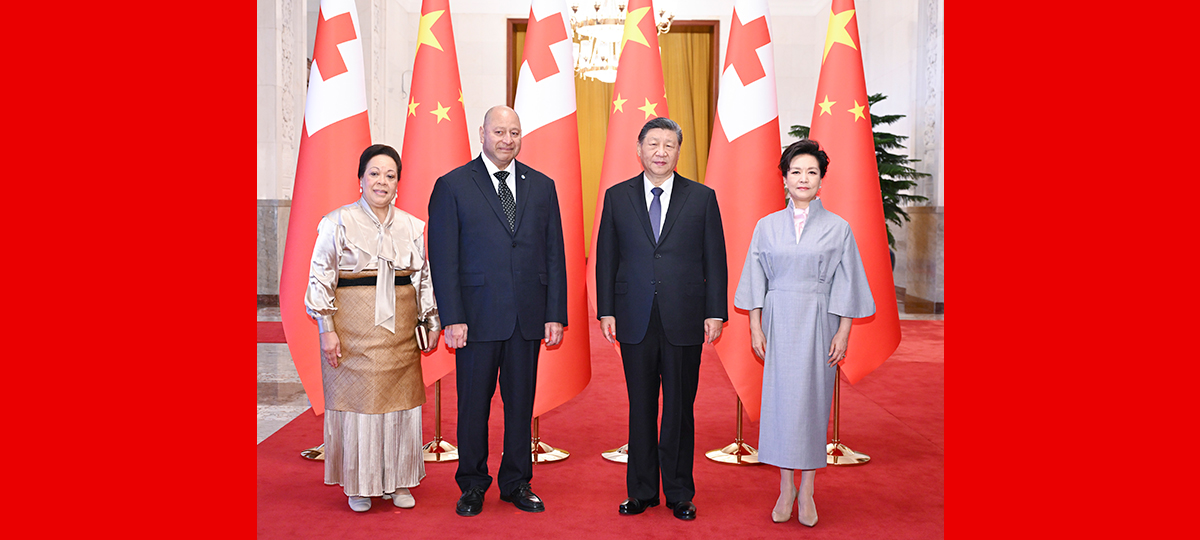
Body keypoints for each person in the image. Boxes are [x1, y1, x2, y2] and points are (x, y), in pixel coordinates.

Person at [426, 105, 568, 517]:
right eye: (499, 131)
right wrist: (452, 317)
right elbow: (444, 257)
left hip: (527, 317)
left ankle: (516, 482)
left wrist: (554, 312)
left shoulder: (541, 186)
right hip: (475, 318)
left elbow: (555, 254)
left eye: (514, 132)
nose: (507, 139)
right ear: (482, 133)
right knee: (473, 405)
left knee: (521, 404)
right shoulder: (452, 185)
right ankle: (472, 484)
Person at [733, 139, 876, 527]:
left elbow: (849, 283)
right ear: (784, 177)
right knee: (780, 406)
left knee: (812, 405)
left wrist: (843, 332)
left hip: (819, 320)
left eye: (811, 171)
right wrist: (754, 326)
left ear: (821, 179)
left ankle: (808, 489)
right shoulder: (766, 226)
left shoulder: (838, 228)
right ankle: (785, 488)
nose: (803, 178)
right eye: (796, 171)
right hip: (778, 321)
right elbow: (755, 278)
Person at [594, 116, 728, 521]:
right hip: (634, 316)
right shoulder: (617, 197)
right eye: (653, 144)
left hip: (685, 316)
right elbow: (606, 257)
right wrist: (606, 309)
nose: (660, 152)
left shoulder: (702, 197)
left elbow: (715, 259)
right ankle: (641, 491)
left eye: (669, 145)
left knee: (679, 407)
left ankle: (679, 492)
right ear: (639, 150)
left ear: (678, 151)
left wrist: (715, 311)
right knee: (640, 406)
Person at [304, 144, 441, 512]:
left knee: (400, 407)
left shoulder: (413, 226)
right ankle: (360, 484)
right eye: (375, 173)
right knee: (359, 408)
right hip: (352, 333)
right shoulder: (337, 222)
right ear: (360, 179)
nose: (382, 181)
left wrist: (430, 319)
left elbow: (424, 278)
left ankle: (398, 481)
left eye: (390, 175)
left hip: (400, 333)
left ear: (399, 182)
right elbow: (320, 278)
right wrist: (326, 328)